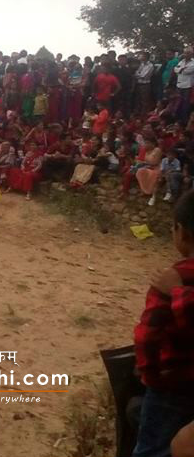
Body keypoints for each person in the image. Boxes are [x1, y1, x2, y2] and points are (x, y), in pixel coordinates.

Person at [133, 190, 194, 457]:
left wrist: (149, 373)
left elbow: (148, 335)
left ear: (181, 233)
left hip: (171, 384)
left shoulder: (171, 280)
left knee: (153, 449)